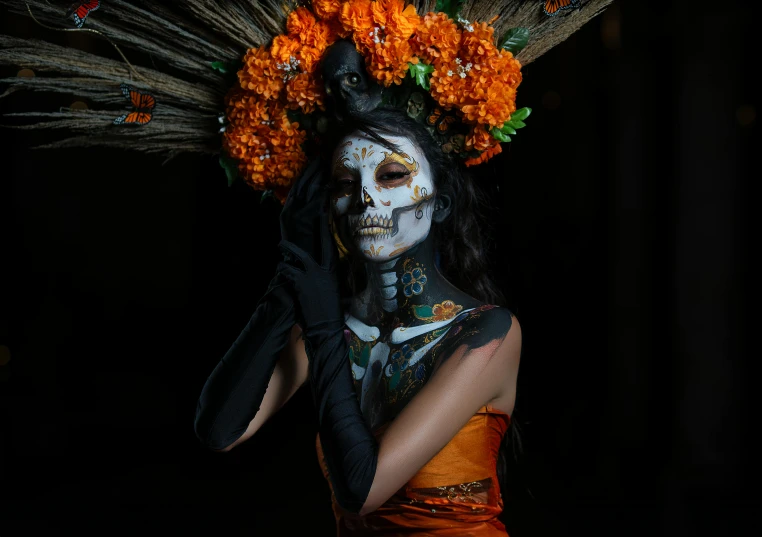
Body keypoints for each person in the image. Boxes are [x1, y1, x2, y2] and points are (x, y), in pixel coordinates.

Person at [0, 1, 613, 533]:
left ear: (442, 201)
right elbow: (219, 431)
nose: (367, 199)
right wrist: (289, 278)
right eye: (346, 184)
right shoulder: (331, 320)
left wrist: (320, 317)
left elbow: (360, 488)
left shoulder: (488, 334)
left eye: (394, 175)